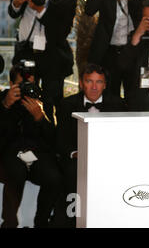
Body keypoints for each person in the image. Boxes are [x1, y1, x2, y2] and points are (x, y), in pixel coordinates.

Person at [54, 63, 126, 227]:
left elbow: (121, 138)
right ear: (81, 83)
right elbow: (61, 139)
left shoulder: (117, 104)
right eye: (89, 81)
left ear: (105, 84)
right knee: (72, 173)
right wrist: (75, 153)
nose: (94, 87)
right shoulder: (67, 104)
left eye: (99, 82)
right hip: (76, 159)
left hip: (108, 159)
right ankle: (72, 221)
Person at [8, 0, 78, 104]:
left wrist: (40, 10)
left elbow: (63, 30)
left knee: (51, 105)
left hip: (53, 55)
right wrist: (16, 3)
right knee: (23, 101)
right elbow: (13, 13)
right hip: (25, 50)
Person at [85, 0, 149, 103]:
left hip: (133, 51)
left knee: (134, 97)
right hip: (108, 52)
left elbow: (143, 11)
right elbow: (90, 9)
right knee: (109, 100)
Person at [0, 61, 62, 228]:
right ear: (11, 84)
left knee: (53, 177)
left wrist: (41, 118)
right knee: (16, 172)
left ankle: (41, 222)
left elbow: (52, 139)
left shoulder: (43, 100)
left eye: (30, 84)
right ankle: (9, 223)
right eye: (21, 85)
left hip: (37, 154)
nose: (27, 88)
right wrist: (6, 106)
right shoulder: (3, 99)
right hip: (10, 152)